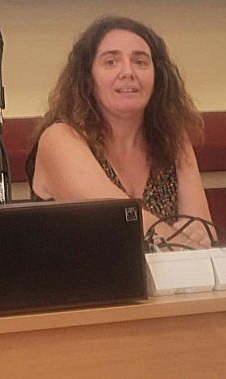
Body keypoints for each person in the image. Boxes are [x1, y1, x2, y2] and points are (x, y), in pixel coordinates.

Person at [26, 15, 215, 248]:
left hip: (167, 273)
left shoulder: (172, 137)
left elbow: (205, 235)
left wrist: (193, 240)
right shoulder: (60, 138)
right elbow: (119, 223)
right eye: (111, 62)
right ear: (88, 78)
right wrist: (184, 241)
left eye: (140, 62)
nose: (128, 72)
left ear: (157, 76)